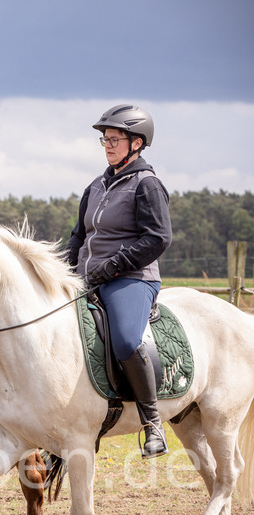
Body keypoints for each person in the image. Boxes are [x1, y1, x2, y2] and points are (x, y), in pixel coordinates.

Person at [66, 104, 172, 458]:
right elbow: (78, 235)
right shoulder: (96, 185)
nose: (108, 145)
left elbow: (157, 238)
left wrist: (112, 266)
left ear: (137, 143)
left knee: (127, 339)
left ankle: (152, 421)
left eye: (114, 139)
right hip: (86, 278)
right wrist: (64, 271)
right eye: (105, 140)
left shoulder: (148, 185)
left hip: (131, 279)